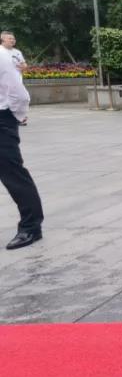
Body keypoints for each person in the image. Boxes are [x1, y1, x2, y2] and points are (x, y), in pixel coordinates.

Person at [0, 44, 43, 249]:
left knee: (12, 174)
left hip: (2, 118)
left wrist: (12, 117)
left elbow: (20, 93)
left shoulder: (1, 56)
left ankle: (31, 227)